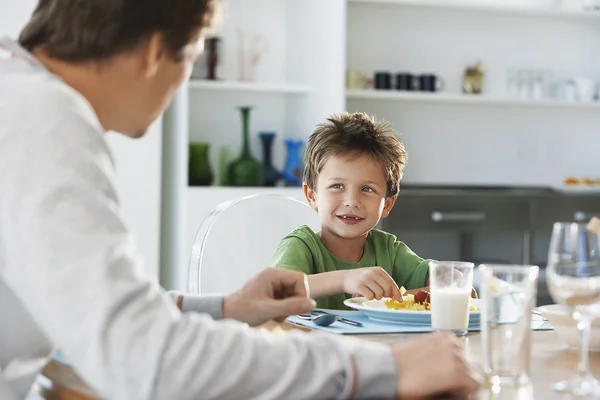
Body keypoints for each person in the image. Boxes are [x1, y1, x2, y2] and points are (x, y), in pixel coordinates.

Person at [0, 1, 480, 399]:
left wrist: (224, 307)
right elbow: (148, 359)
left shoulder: (21, 96)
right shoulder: (46, 122)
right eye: (191, 57)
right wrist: (384, 369)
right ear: (153, 52)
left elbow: (102, 309)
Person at [271, 112, 436, 309]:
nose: (352, 201)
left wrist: (397, 300)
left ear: (388, 204)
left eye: (367, 189)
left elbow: (450, 281)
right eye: (337, 186)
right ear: (312, 195)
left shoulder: (388, 250)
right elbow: (276, 293)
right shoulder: (300, 246)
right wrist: (345, 279)